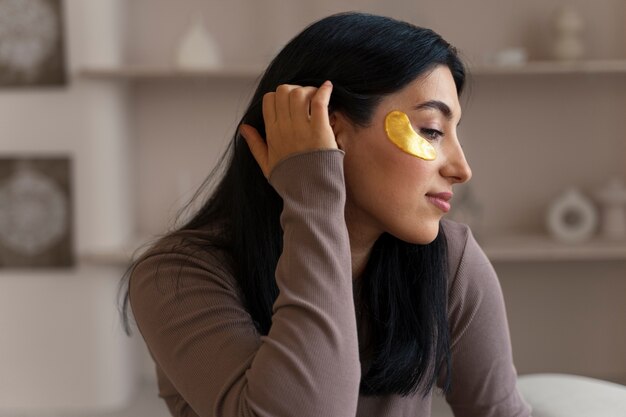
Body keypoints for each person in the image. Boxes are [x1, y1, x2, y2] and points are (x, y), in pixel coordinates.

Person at [122, 12, 532, 417]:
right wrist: (313, 195)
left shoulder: (450, 262)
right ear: (329, 130)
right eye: (431, 131)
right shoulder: (176, 276)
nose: (461, 168)